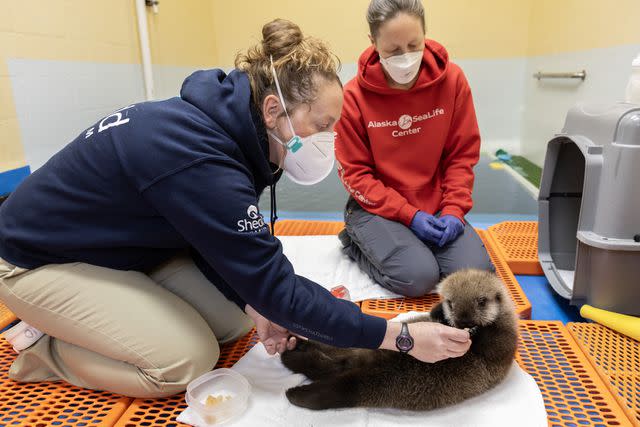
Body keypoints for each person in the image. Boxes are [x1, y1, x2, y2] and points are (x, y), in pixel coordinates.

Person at [0, 19, 471, 398]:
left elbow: (212, 239)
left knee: (238, 319)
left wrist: (254, 300)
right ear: (273, 110)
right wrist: (400, 337)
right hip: (35, 260)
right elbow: (275, 285)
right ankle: (49, 348)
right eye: (322, 125)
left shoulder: (226, 134)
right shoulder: (197, 157)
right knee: (185, 361)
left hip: (122, 249)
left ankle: (115, 314)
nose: (328, 139)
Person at [336, 0, 494, 298]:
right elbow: (356, 175)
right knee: (417, 278)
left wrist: (453, 210)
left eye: (414, 45)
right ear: (373, 43)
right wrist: (408, 215)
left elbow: (461, 155)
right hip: (376, 208)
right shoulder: (353, 97)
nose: (406, 57)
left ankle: (414, 244)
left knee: (475, 280)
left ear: (425, 35)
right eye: (393, 51)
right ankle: (354, 241)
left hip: (434, 203)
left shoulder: (452, 81)